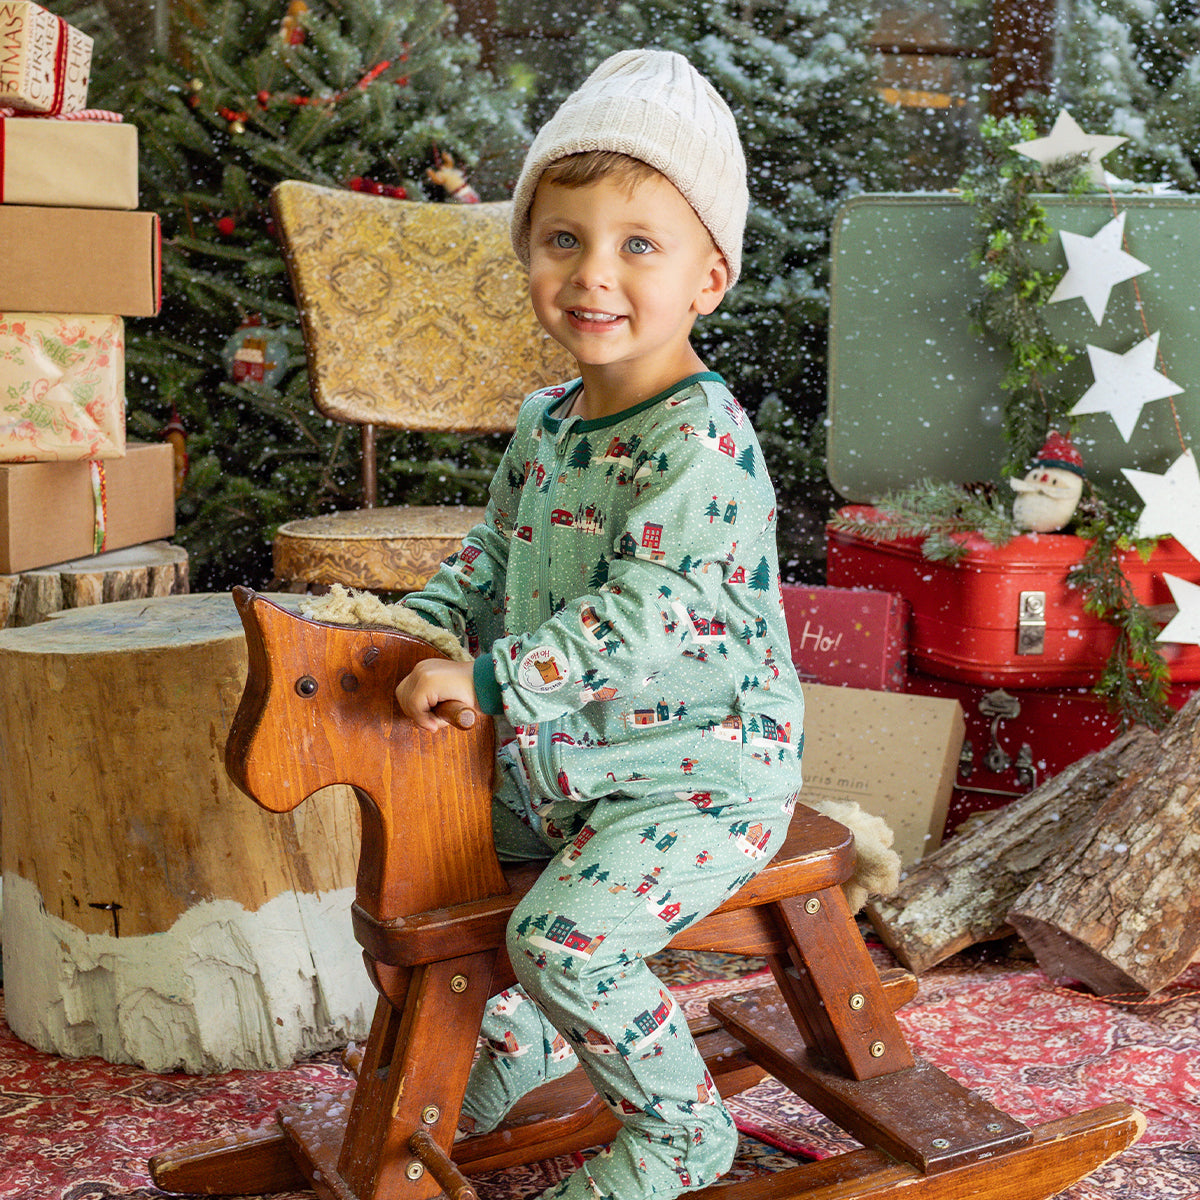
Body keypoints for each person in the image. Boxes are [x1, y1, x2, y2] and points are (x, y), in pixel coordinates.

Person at [394, 48, 805, 1200]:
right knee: (428, 871)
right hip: (567, 760)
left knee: (560, 937)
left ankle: (680, 1132)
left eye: (638, 245)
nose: (593, 276)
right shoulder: (546, 422)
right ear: (527, 253)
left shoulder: (703, 443)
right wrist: (420, 627)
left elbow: (652, 612)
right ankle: (517, 1046)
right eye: (562, 239)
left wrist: (487, 679)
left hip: (703, 772)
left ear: (707, 279)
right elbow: (493, 553)